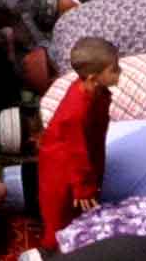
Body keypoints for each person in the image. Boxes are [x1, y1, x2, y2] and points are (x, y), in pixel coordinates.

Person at [35, 36, 115, 248]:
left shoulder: (96, 91)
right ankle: (52, 254)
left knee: (79, 213)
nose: (119, 73)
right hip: (62, 168)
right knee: (59, 215)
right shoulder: (76, 109)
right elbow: (74, 150)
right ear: (93, 77)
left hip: (87, 156)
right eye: (113, 69)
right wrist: (84, 187)